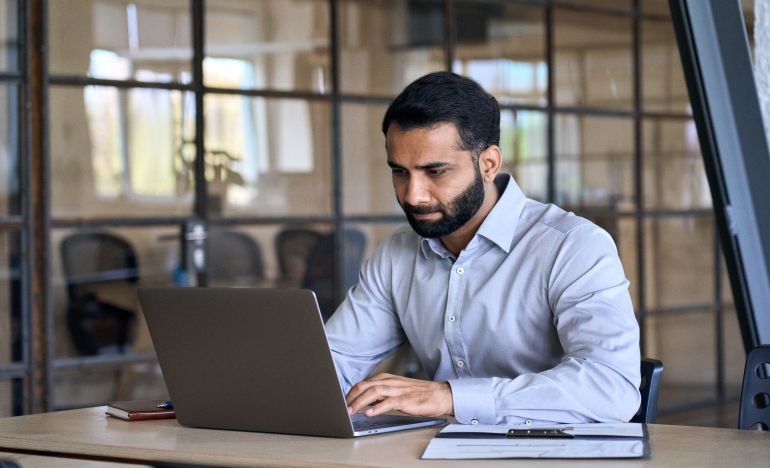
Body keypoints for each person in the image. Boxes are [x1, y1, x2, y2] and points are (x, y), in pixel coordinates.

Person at [324, 71, 641, 426]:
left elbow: (611, 388)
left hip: (550, 450)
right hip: (435, 449)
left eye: (435, 172)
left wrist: (449, 397)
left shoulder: (572, 247)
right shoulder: (397, 255)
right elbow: (332, 364)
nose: (413, 195)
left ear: (488, 164)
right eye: (400, 172)